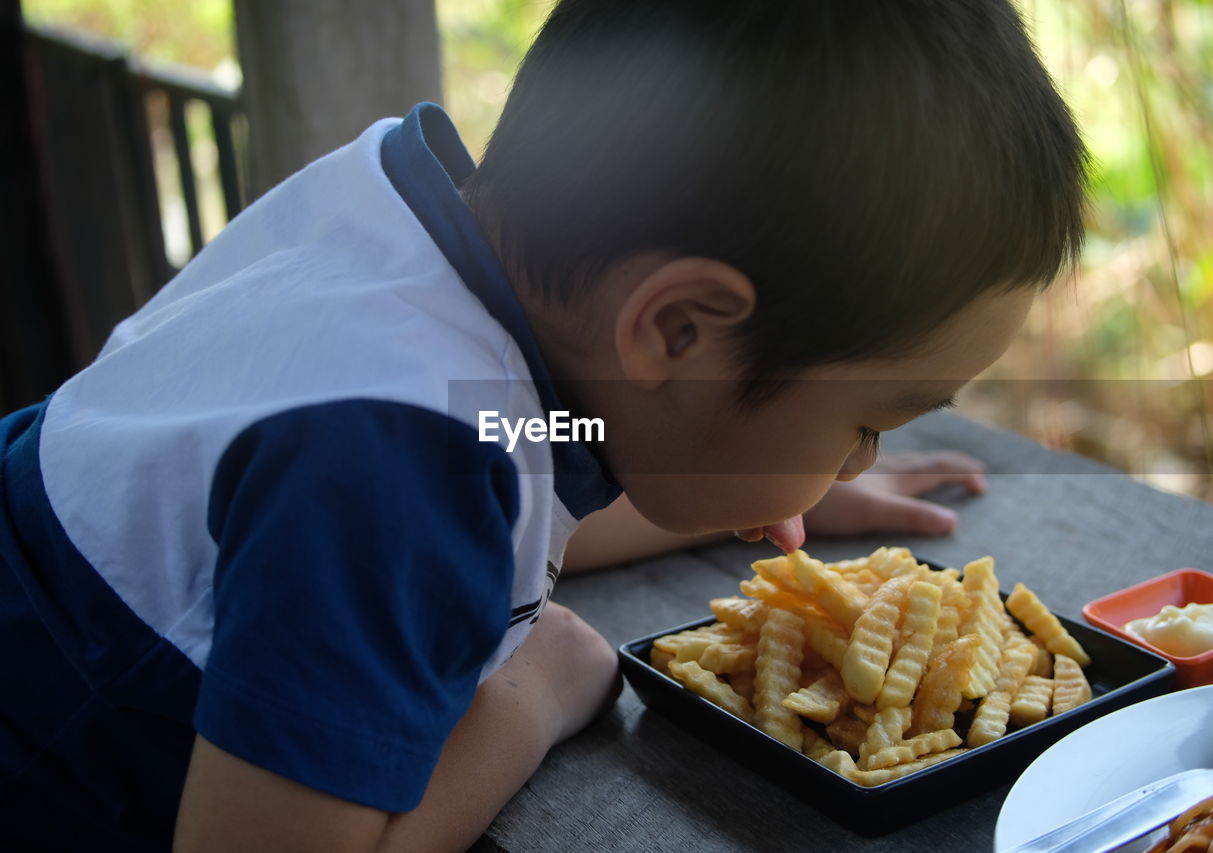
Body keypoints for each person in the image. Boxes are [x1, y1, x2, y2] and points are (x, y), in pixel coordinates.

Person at [0, 1, 1087, 850]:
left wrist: (765, 474)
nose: (862, 453)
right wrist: (537, 689)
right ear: (676, 331)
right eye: (862, 420)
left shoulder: (416, 243)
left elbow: (504, 484)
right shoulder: (389, 464)